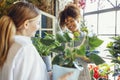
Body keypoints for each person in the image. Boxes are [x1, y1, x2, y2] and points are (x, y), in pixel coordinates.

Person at [0, 1, 72, 80]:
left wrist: (48, 75)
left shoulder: (8, 43)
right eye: (38, 23)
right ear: (26, 24)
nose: (38, 27)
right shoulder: (25, 48)